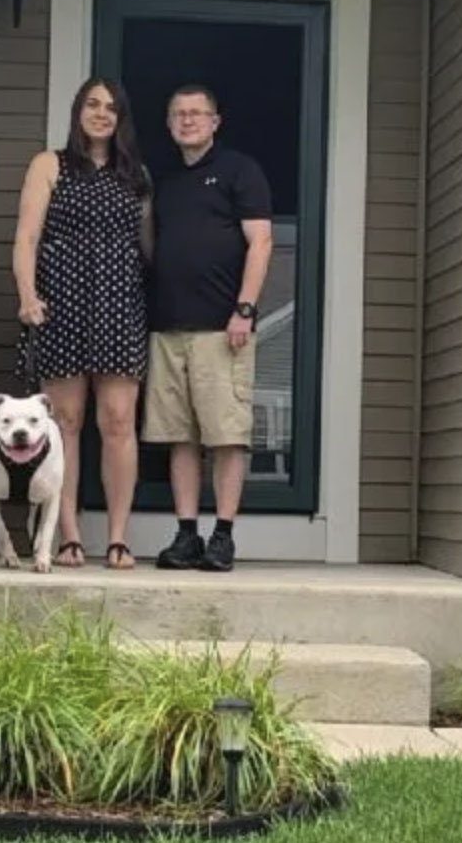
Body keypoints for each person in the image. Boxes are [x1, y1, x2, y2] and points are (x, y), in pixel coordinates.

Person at [12, 77, 152, 570]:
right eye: (92, 104)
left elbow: (149, 248)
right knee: (65, 423)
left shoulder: (134, 175)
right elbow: (27, 238)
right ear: (78, 111)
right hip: (62, 304)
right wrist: (28, 296)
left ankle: (117, 536)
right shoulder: (50, 165)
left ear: (121, 119)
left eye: (112, 108)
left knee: (117, 421)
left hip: (120, 305)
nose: (101, 114)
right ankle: (66, 534)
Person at [145, 84, 274, 572]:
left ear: (216, 121)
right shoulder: (166, 180)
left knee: (225, 435)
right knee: (180, 436)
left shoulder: (240, 171)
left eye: (198, 113)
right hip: (166, 326)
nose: (188, 120)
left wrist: (245, 309)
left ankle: (223, 535)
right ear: (169, 122)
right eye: (179, 113)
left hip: (223, 328)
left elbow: (260, 243)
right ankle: (186, 536)